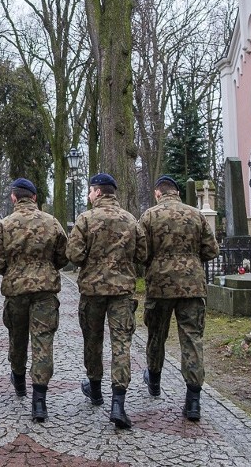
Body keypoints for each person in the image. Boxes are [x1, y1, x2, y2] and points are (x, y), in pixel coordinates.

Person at [66, 173, 147, 429]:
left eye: (91, 191)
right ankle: (118, 404)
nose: (89, 195)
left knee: (92, 340)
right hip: (122, 292)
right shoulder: (131, 220)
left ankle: (96, 389)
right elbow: (143, 254)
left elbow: (74, 254)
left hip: (92, 291)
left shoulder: (86, 219)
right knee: (121, 344)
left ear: (98, 192)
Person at [138, 175, 219, 421]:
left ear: (157, 193)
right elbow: (212, 249)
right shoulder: (196, 215)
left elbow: (141, 252)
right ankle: (193, 400)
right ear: (177, 192)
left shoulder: (150, 216)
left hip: (160, 286)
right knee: (192, 339)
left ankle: (153, 379)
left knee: (156, 335)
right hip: (192, 286)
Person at [0, 177, 68, 422]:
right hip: (45, 290)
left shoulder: (5, 224)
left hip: (16, 290)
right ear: (34, 197)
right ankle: (39, 401)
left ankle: (19, 380)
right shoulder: (51, 222)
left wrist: (12, 271)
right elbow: (64, 255)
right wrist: (47, 267)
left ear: (14, 197)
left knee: (17, 336)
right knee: (43, 342)